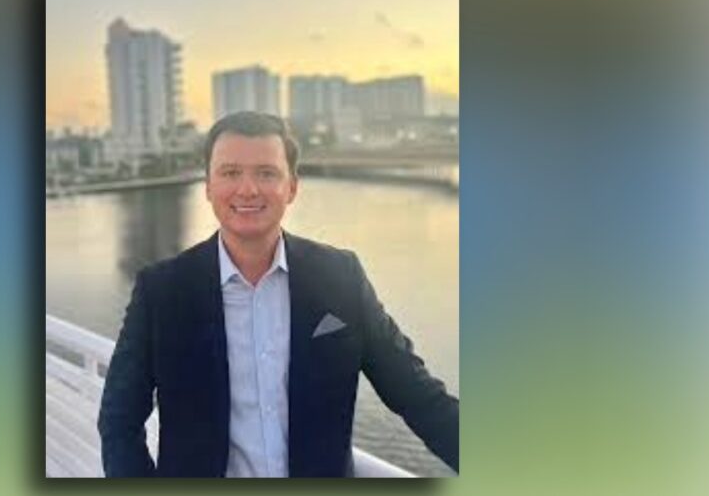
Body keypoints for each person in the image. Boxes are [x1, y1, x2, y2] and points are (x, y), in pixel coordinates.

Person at [97, 111, 459, 477]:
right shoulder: (161, 291)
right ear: (207, 186)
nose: (248, 189)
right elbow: (119, 419)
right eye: (230, 172)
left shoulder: (340, 277)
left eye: (266, 173)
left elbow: (416, 395)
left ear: (292, 187)